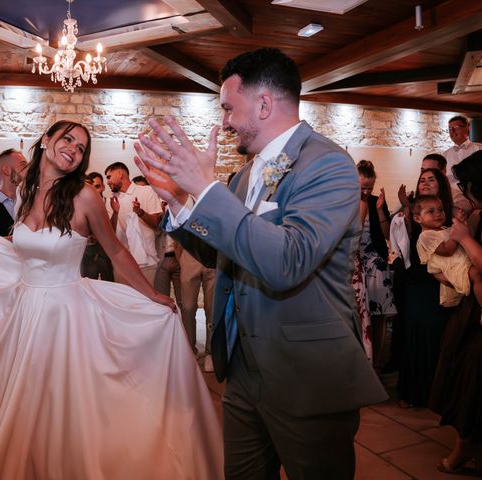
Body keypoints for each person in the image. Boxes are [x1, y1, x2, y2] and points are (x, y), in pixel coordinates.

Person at [135, 48, 386, 479]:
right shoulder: (245, 176)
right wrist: (178, 201)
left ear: (264, 103)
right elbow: (223, 254)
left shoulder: (327, 165)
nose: (225, 120)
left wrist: (204, 188)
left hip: (305, 375)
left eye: (229, 108)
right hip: (243, 371)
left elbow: (288, 260)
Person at [0, 120, 223, 479]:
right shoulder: (26, 191)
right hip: (25, 312)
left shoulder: (83, 196)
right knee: (31, 400)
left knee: (69, 402)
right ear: (46, 140)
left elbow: (115, 251)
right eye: (68, 139)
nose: (74, 150)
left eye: (81, 148)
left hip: (67, 314)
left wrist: (153, 294)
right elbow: (24, 250)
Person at [430, 151, 482, 473]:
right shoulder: (478, 214)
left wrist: (464, 237)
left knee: (472, 383)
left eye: (464, 184)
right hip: (473, 311)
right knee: (467, 383)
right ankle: (464, 449)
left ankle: (463, 452)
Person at [397, 168, 453, 408]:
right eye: (422, 180)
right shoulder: (410, 214)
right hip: (417, 282)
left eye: (432, 179)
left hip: (442, 283)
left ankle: (438, 392)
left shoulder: (447, 219)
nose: (426, 183)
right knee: (417, 334)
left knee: (440, 335)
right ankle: (414, 392)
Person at [356, 160, 396, 369]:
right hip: (353, 261)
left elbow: (387, 234)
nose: (365, 192)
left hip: (374, 261)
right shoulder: (343, 201)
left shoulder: (375, 202)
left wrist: (380, 210)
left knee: (378, 315)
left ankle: (377, 364)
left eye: (369, 188)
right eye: (361, 187)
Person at [414, 195, 482, 307]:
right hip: (452, 268)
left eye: (440, 210)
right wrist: (457, 234)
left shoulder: (445, 229)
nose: (438, 213)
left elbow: (463, 235)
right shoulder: (425, 236)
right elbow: (447, 250)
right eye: (431, 211)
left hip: (460, 264)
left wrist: (460, 222)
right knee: (477, 275)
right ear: (418, 218)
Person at [104, 162, 162, 284]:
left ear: (120, 174)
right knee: (124, 302)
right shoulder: (111, 200)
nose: (107, 182)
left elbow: (156, 222)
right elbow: (110, 232)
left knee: (146, 301)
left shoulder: (146, 191)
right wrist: (115, 212)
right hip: (122, 263)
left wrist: (140, 212)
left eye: (109, 177)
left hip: (146, 261)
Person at [444, 116, 482, 183]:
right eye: (450, 129)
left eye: (456, 127)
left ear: (467, 128)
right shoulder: (445, 155)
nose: (452, 131)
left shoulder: (480, 149)